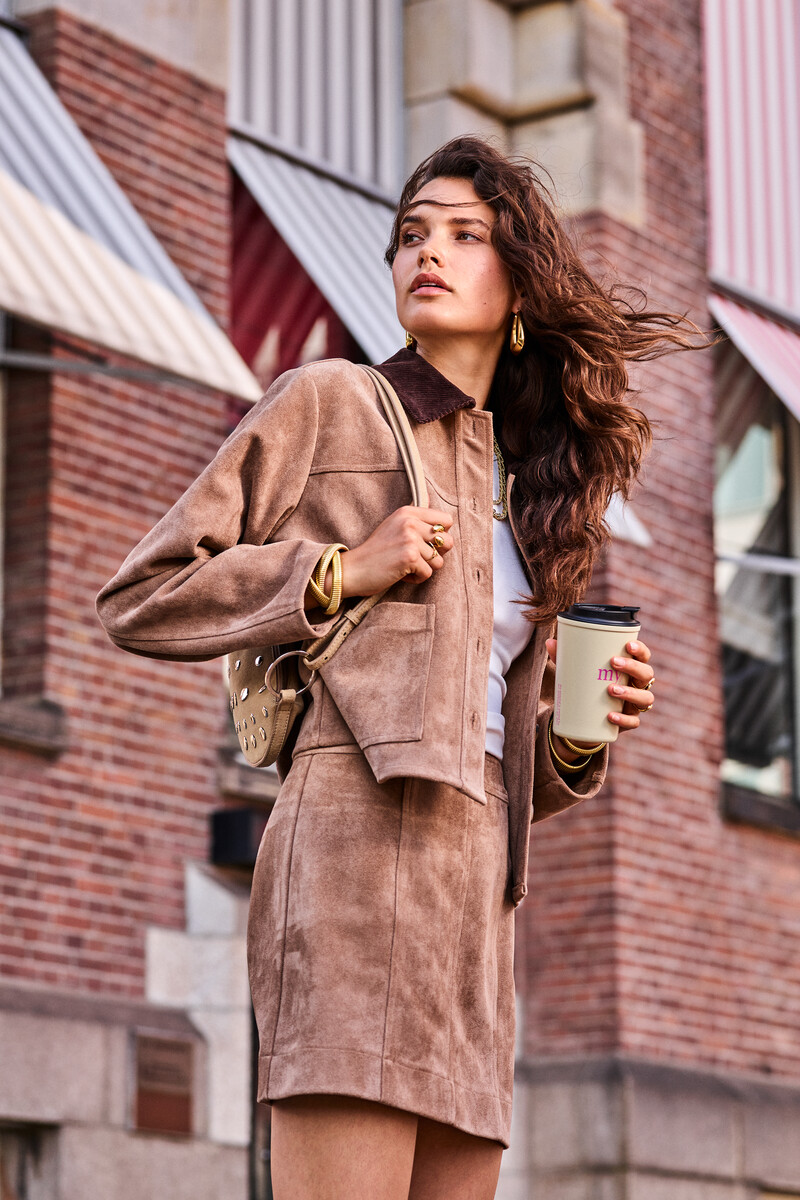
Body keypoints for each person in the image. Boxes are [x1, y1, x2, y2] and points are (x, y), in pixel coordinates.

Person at [97, 136, 699, 1200]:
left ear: (520, 286)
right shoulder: (329, 401)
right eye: (412, 233)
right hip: (350, 867)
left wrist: (574, 737)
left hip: (476, 907)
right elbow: (142, 593)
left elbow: (477, 741)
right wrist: (339, 570)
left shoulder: (525, 484)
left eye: (466, 235)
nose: (428, 251)